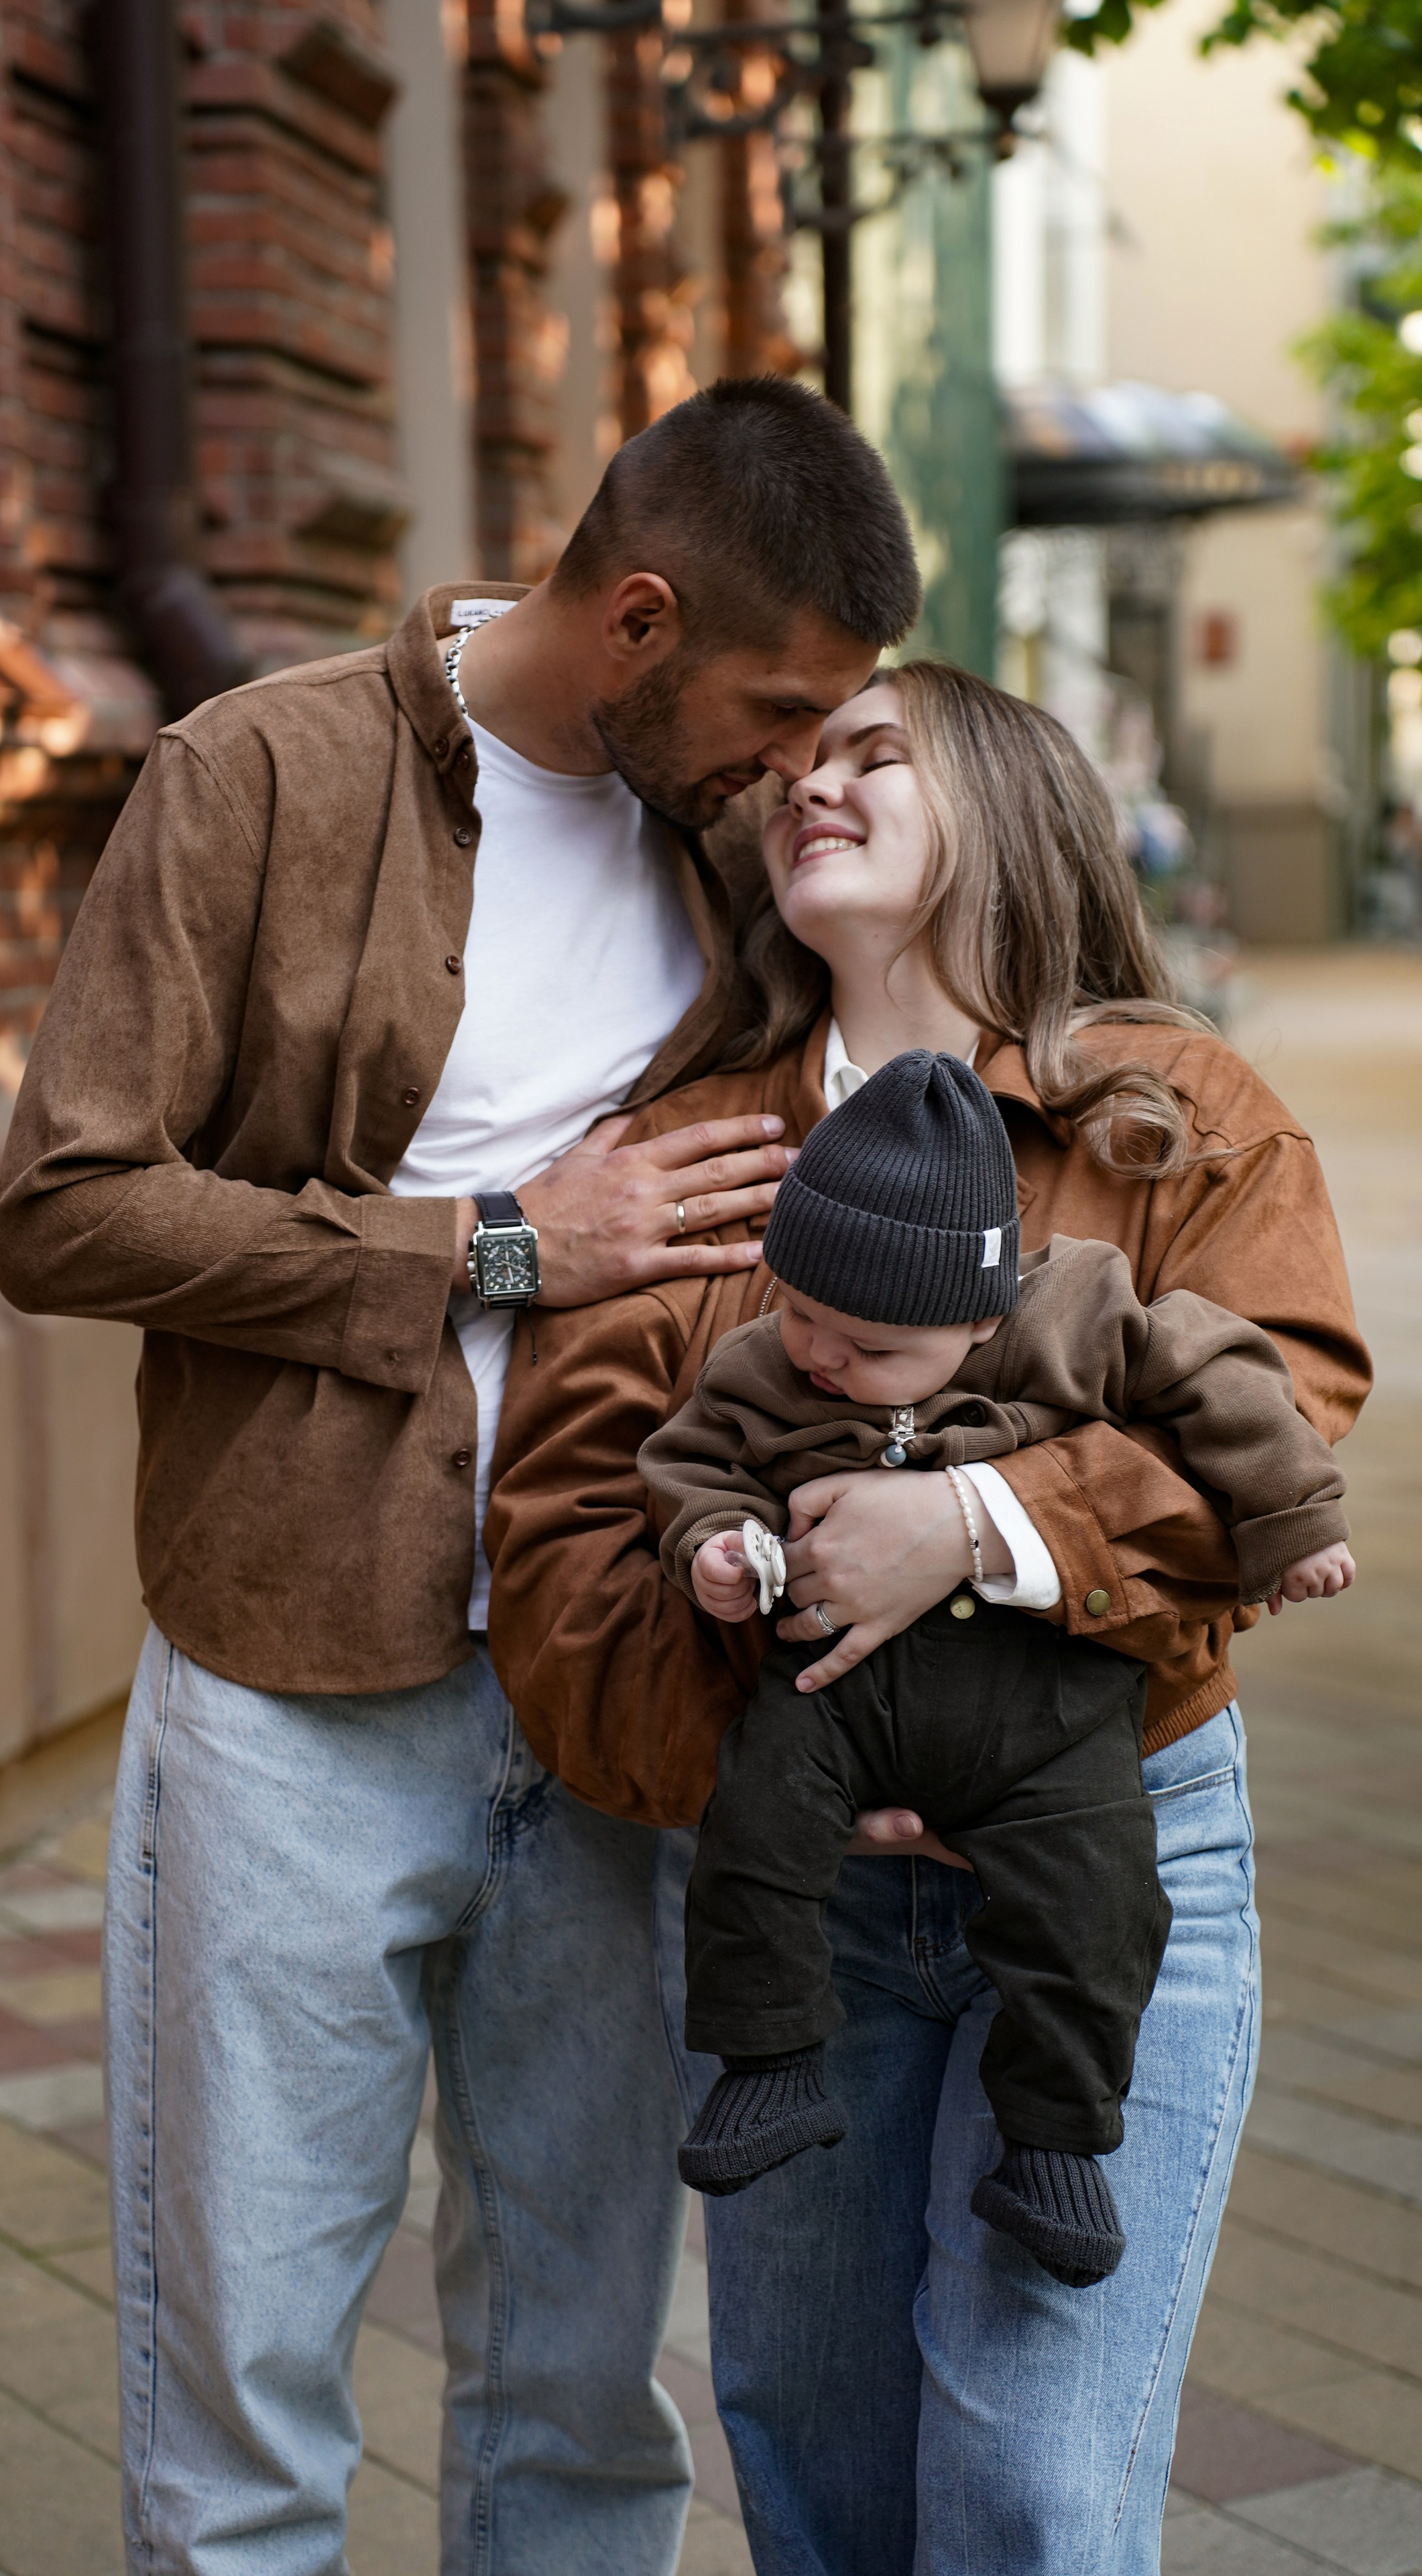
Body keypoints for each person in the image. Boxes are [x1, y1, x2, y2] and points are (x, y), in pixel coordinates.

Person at [0, 376, 921, 2575]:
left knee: (585, 2402)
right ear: (641, 618)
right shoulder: (260, 773)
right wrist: (504, 1243)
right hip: (289, 1689)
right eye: (779, 705)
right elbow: (61, 1206)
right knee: (243, 2412)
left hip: (608, 1705)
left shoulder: (739, 866)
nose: (801, 765)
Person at [483, 661, 1371, 2573]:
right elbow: (562, 1575)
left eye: (877, 751)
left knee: (1034, 2486)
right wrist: (774, 1732)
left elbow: (1281, 1424)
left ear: (1016, 804)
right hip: (794, 1911)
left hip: (1116, 1849)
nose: (814, 781)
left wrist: (965, 1524)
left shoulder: (1174, 1110)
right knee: (821, 2471)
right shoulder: (694, 1148)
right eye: (795, 763)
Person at [638, 1050, 1352, 2286]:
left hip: (1049, 1706)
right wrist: (713, 1547)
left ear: (979, 1314)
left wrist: (1295, 1521)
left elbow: (1226, 1377)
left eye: (865, 1344)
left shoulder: (1075, 1309)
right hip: (833, 1695)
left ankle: (1057, 2145)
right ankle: (767, 2067)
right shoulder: (766, 1365)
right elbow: (693, 1465)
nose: (818, 1355)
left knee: (1100, 1904)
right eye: (800, 1310)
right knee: (750, 1828)